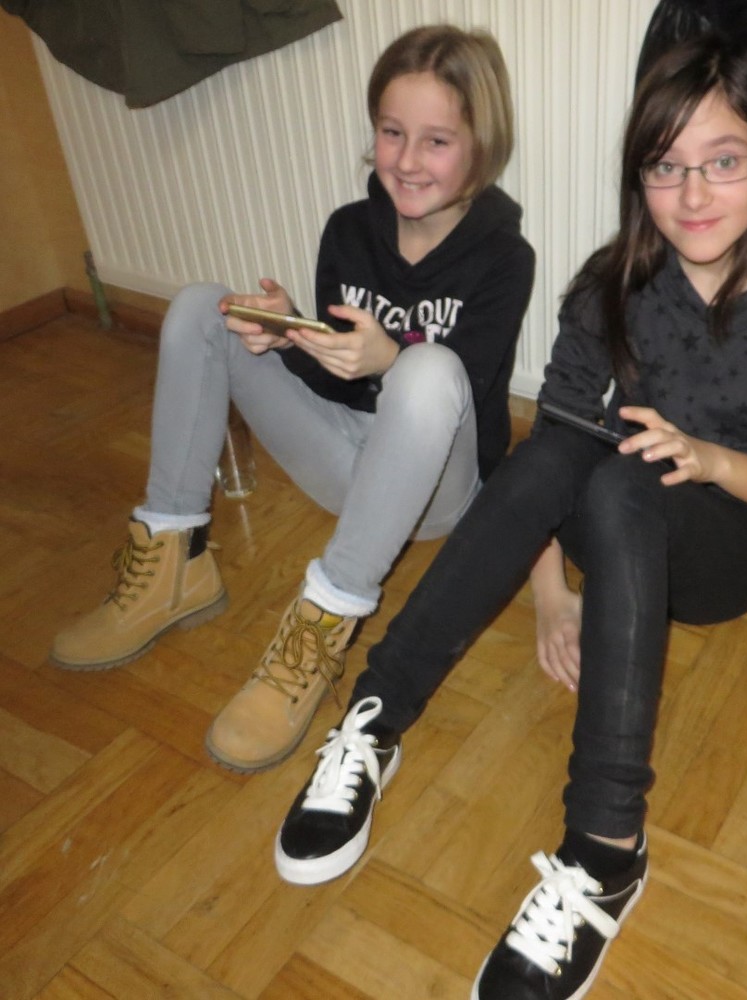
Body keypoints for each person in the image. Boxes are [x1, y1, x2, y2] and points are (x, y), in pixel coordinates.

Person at [272, 33, 747, 1000]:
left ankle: (605, 848)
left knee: (626, 476)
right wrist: (552, 597)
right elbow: (550, 443)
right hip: (619, 524)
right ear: (639, 176)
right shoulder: (611, 282)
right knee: (569, 452)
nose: (693, 194)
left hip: (731, 545)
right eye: (666, 166)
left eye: (723, 161)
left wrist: (708, 458)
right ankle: (375, 720)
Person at [49, 24, 535, 776]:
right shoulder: (348, 230)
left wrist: (391, 357)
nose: (407, 160)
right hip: (346, 456)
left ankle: (324, 620)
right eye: (392, 132)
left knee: (428, 371)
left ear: (481, 145)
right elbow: (334, 381)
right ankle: (174, 561)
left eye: (436, 141)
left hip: (437, 488)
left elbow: (463, 396)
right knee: (203, 307)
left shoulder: (505, 256)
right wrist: (290, 336)